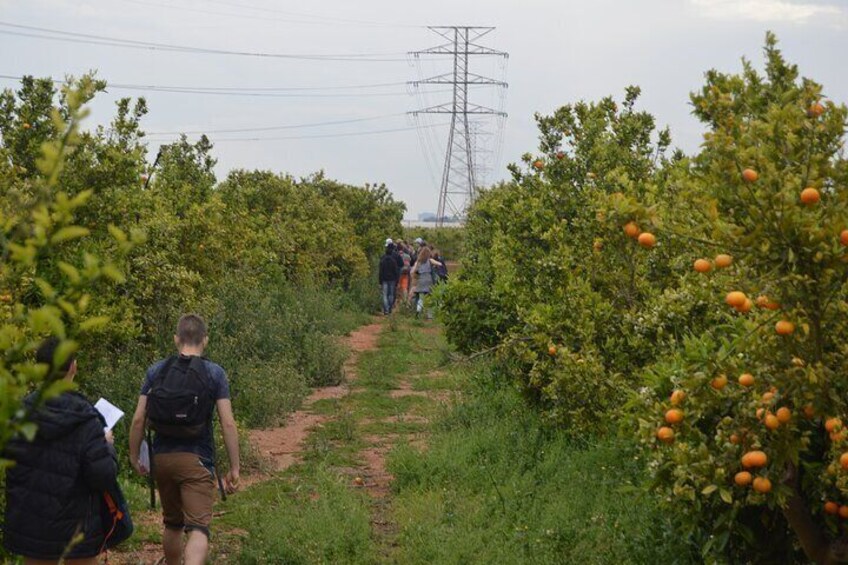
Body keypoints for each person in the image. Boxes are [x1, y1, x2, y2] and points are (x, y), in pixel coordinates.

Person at [129, 314, 240, 565]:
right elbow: (228, 422)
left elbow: (138, 420)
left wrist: (133, 456)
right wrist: (235, 467)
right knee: (198, 529)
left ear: (176, 339)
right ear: (206, 340)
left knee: (172, 524)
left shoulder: (156, 371)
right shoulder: (214, 373)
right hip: (196, 460)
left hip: (162, 461)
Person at [4, 337, 119, 565]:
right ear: (73, 367)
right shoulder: (86, 418)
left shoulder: (19, 415)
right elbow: (103, 475)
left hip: (32, 528)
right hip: (77, 530)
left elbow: (11, 466)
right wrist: (107, 446)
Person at [411, 246, 443, 318]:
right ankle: (430, 315)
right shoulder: (430, 260)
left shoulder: (418, 262)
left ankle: (418, 311)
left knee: (421, 298)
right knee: (430, 299)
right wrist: (434, 267)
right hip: (429, 280)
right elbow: (440, 264)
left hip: (421, 280)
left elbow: (414, 271)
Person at [379, 242, 400, 315]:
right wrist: (397, 281)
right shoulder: (393, 261)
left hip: (384, 279)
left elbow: (380, 272)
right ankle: (390, 308)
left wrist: (380, 281)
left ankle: (386, 310)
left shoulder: (382, 260)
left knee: (384, 295)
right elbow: (396, 272)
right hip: (392, 279)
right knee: (391, 294)